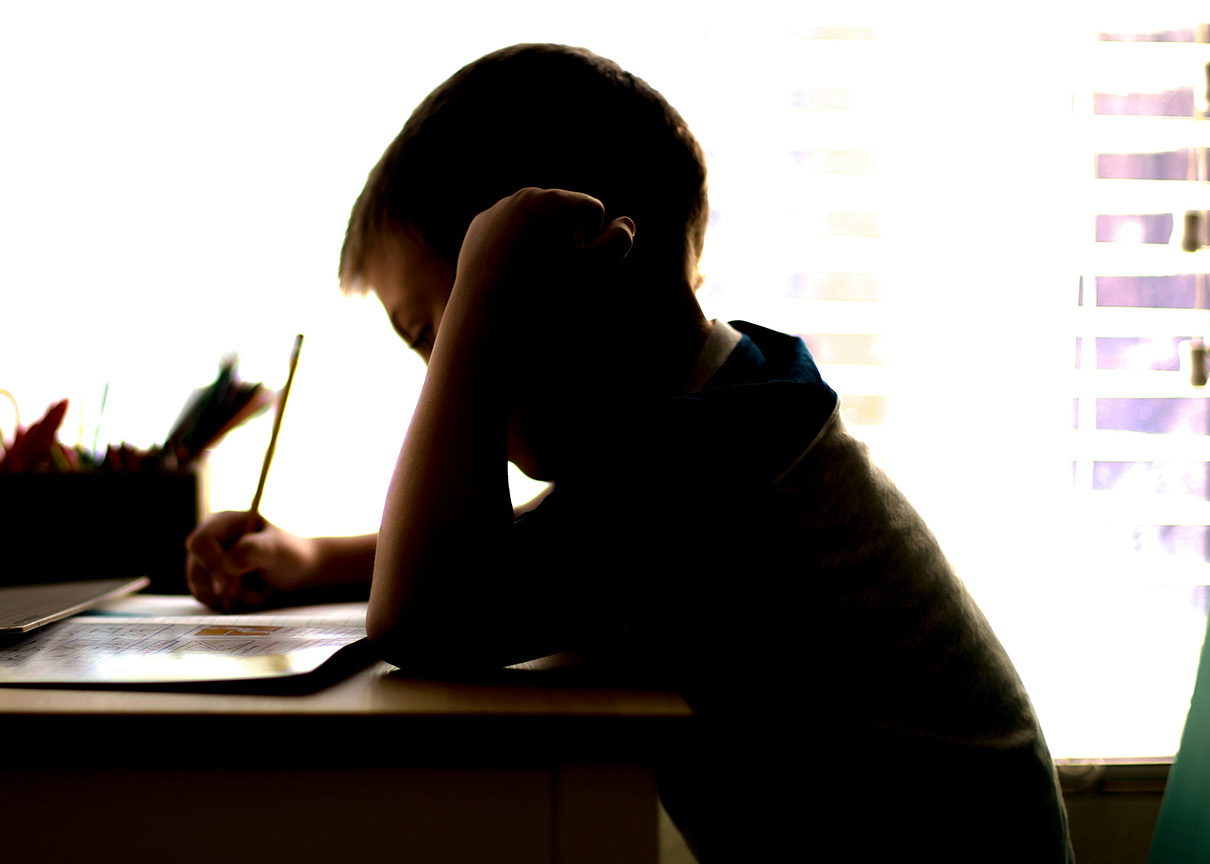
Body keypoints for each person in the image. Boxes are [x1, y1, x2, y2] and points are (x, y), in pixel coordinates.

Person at [184, 43, 1073, 861]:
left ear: (554, 287)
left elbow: (427, 618)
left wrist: (481, 307)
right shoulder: (728, 404)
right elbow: (524, 555)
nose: (440, 384)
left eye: (437, 337)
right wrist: (308, 560)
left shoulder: (712, 464)